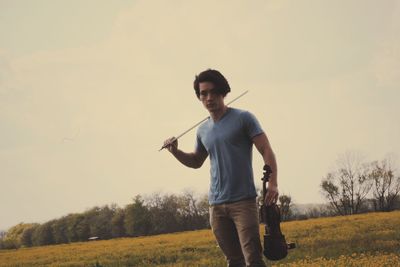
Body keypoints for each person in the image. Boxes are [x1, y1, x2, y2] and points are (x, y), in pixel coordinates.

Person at [163, 69, 278, 267]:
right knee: (233, 260)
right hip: (216, 206)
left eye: (213, 92)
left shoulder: (244, 118)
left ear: (223, 92)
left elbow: (266, 149)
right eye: (203, 94)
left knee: (253, 259)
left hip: (243, 202)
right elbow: (196, 161)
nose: (209, 98)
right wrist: (175, 152)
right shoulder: (202, 130)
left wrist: (273, 183)